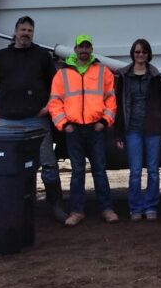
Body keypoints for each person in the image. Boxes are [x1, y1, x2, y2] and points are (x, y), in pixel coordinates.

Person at [0, 15, 67, 223]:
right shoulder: (1, 56)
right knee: (10, 165)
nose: (26, 34)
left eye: (29, 31)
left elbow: (56, 87)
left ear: (33, 33)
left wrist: (48, 108)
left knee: (48, 164)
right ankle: (14, 206)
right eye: (22, 30)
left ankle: (55, 205)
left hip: (36, 121)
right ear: (15, 31)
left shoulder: (41, 56)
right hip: (7, 122)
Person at [48, 34, 118, 226]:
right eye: (81, 47)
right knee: (77, 172)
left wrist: (104, 122)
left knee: (100, 171)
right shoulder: (62, 74)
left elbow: (111, 101)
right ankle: (77, 211)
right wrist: (64, 125)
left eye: (88, 47)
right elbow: (54, 103)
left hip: (96, 129)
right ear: (75, 49)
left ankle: (107, 209)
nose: (84, 50)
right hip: (74, 130)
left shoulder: (104, 72)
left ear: (92, 49)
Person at [114, 38, 161, 221]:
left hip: (153, 129)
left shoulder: (155, 77)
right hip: (132, 130)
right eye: (137, 52)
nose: (140, 55)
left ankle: (151, 206)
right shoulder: (123, 77)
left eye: (144, 52)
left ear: (148, 54)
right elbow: (119, 106)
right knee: (135, 171)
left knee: (153, 170)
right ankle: (136, 207)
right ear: (133, 53)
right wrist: (119, 132)